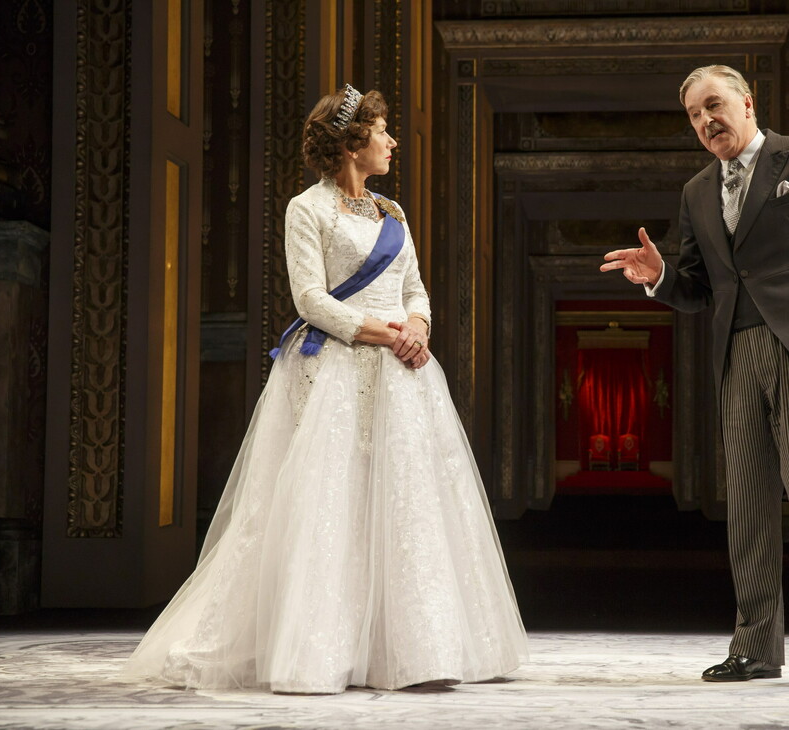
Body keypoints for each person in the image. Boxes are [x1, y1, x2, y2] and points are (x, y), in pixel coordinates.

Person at [123, 84, 527, 694]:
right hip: (337, 365)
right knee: (330, 501)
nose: (393, 141)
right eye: (383, 131)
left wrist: (416, 327)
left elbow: (415, 288)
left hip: (404, 374)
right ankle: (322, 649)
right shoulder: (305, 209)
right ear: (351, 141)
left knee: (406, 502)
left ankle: (415, 649)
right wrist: (381, 333)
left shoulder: (394, 214)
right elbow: (308, 298)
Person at [601, 65, 789, 691]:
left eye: (714, 106)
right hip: (739, 357)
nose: (705, 122)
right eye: (695, 115)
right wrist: (659, 276)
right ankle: (755, 647)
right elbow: (699, 289)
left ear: (747, 103)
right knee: (748, 508)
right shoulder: (697, 191)